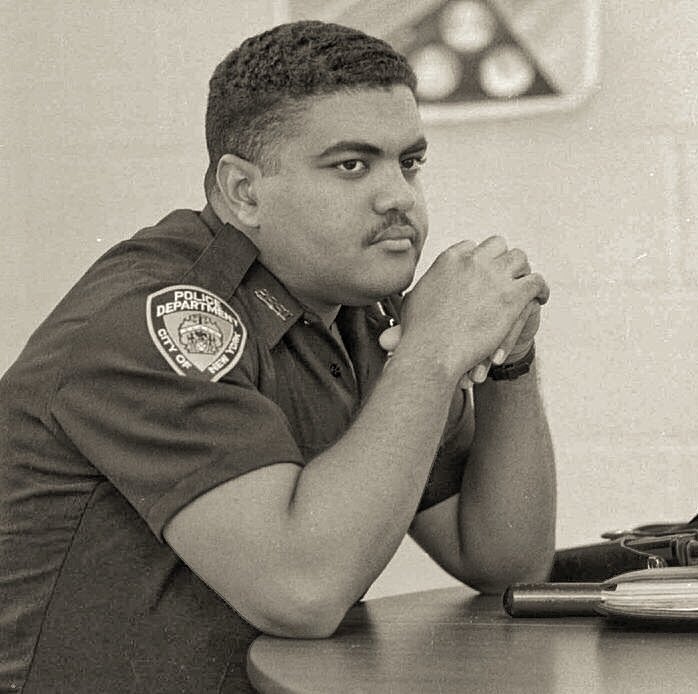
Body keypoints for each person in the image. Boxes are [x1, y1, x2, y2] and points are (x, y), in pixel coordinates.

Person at [0, 20, 555, 693]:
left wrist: (509, 358)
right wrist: (433, 351)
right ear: (243, 192)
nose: (399, 197)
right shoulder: (157, 319)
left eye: (409, 162)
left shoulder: (358, 312)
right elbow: (301, 593)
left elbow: (503, 561)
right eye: (351, 166)